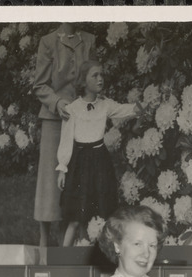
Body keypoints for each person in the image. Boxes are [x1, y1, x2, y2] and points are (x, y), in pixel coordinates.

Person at [57, 60, 139, 247]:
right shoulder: (72, 109)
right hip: (79, 165)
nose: (100, 79)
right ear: (83, 81)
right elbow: (66, 140)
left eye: (102, 75)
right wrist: (62, 168)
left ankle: (106, 256)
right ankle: (62, 260)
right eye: (95, 75)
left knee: (104, 209)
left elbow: (124, 110)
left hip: (100, 162)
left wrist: (142, 108)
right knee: (76, 215)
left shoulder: (105, 105)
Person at [31, 23, 96, 247]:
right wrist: (58, 103)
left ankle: (69, 238)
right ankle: (43, 240)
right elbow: (39, 85)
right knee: (49, 179)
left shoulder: (88, 40)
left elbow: (93, 78)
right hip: (54, 119)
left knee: (76, 175)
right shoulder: (48, 42)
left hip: (81, 118)